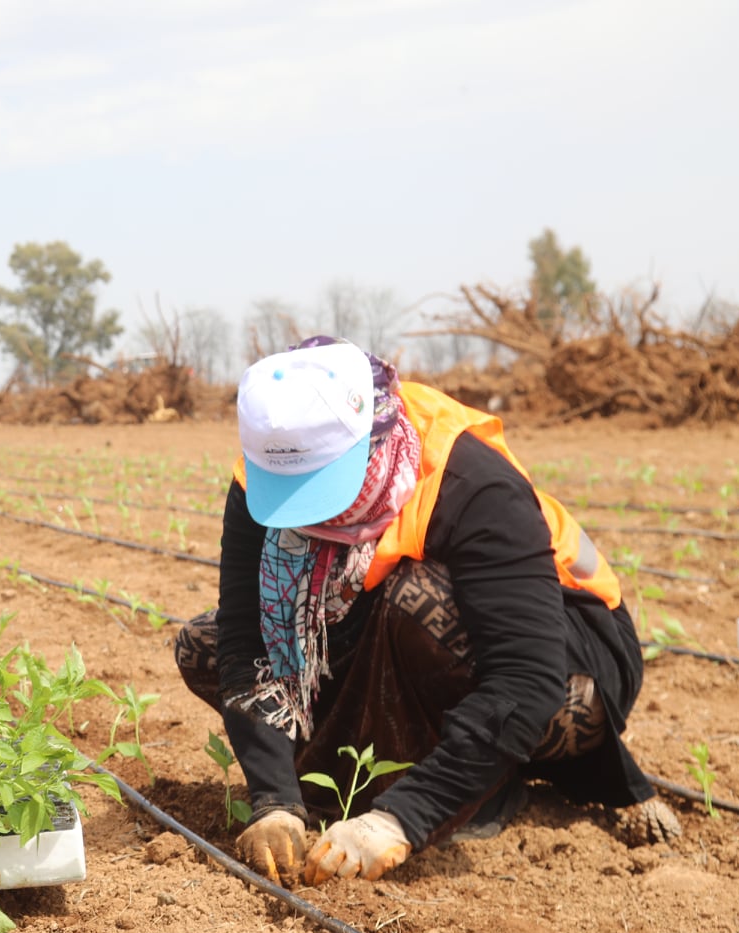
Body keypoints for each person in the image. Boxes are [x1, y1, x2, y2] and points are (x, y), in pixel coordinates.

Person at [174, 337, 680, 888]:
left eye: (319, 492)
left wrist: (400, 820)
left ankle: (467, 792)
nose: (304, 518)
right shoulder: (263, 473)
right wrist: (274, 801)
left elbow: (525, 678)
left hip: (566, 661)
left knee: (414, 600)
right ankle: (361, 787)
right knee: (203, 643)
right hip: (391, 634)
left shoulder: (470, 481)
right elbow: (247, 642)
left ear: (370, 440)